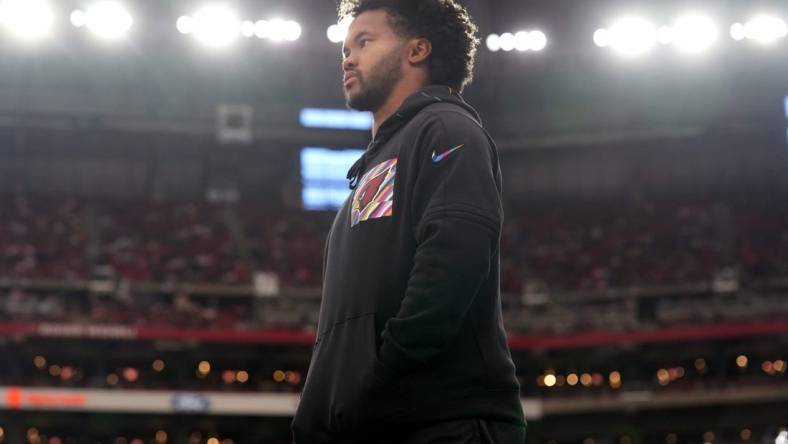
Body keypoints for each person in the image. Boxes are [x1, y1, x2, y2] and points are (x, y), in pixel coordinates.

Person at [291, 0, 526, 443]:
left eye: (365, 41)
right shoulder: (370, 171)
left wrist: (382, 378)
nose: (347, 56)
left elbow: (452, 264)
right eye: (346, 46)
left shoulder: (448, 130)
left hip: (441, 423)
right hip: (378, 422)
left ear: (416, 51)